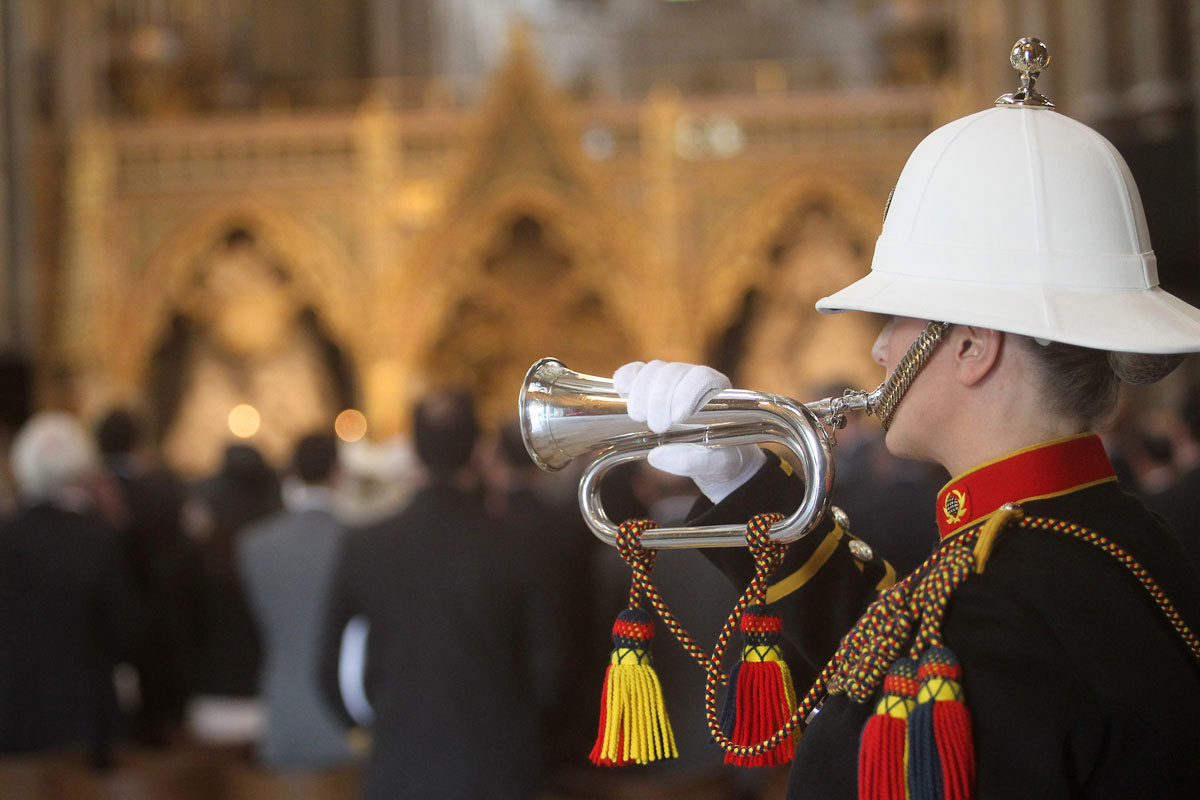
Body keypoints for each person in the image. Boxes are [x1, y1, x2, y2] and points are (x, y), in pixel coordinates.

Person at [609, 38, 1200, 799]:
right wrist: (742, 480)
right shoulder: (1086, 537)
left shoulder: (1016, 601)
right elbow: (899, 650)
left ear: (972, 347)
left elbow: (936, 671)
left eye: (896, 317)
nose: (881, 349)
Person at [319, 391, 546, 800]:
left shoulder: (367, 544)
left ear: (411, 451)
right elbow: (550, 668)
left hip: (398, 766)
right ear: (480, 448)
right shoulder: (519, 543)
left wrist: (372, 729)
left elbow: (327, 667)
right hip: (498, 768)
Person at [0, 412, 142, 763]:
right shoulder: (99, 538)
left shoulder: (6, 537)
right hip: (84, 718)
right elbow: (126, 629)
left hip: (13, 715)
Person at [238, 433, 356, 770]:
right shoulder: (359, 543)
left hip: (282, 709)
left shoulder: (254, 545)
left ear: (290, 472)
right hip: (345, 715)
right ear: (338, 472)